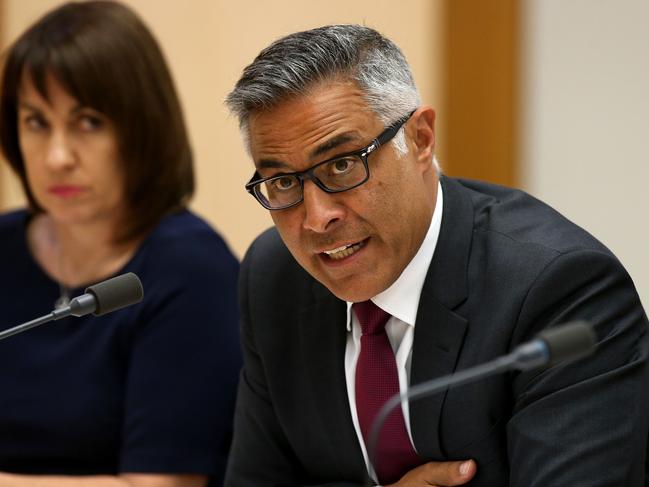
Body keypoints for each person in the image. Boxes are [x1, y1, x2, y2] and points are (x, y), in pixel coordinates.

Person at [224, 24, 649, 486]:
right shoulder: (274, 276)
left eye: (343, 164)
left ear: (421, 139)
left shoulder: (558, 288)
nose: (315, 218)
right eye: (284, 181)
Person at [0, 2, 241, 486]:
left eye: (88, 122)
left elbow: (157, 486)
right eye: (36, 122)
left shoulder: (192, 271)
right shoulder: (3, 246)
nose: (57, 156)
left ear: (140, 130)